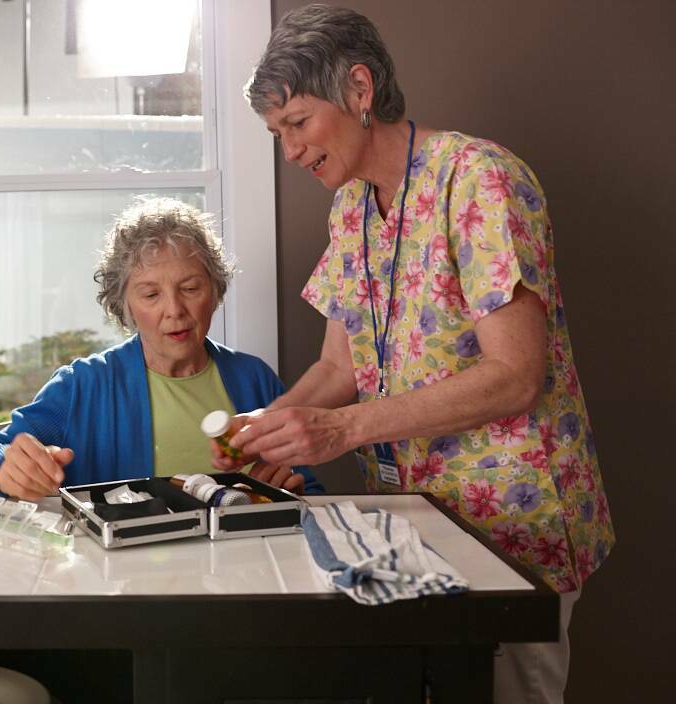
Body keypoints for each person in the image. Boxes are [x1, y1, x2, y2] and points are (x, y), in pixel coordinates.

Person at [216, 6, 614, 703]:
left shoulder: (479, 179)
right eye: (276, 134)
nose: (289, 151)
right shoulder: (350, 208)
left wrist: (340, 430)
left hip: (516, 525)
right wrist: (265, 431)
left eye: (297, 123)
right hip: (414, 522)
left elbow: (517, 378)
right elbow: (340, 368)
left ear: (360, 90)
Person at [0, 197, 318, 501]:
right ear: (124, 305)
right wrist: (3, 468)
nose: (174, 310)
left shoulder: (255, 379)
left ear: (215, 290)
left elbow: (310, 489)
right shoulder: (83, 385)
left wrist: (287, 492)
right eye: (150, 294)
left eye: (190, 288)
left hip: (242, 572)